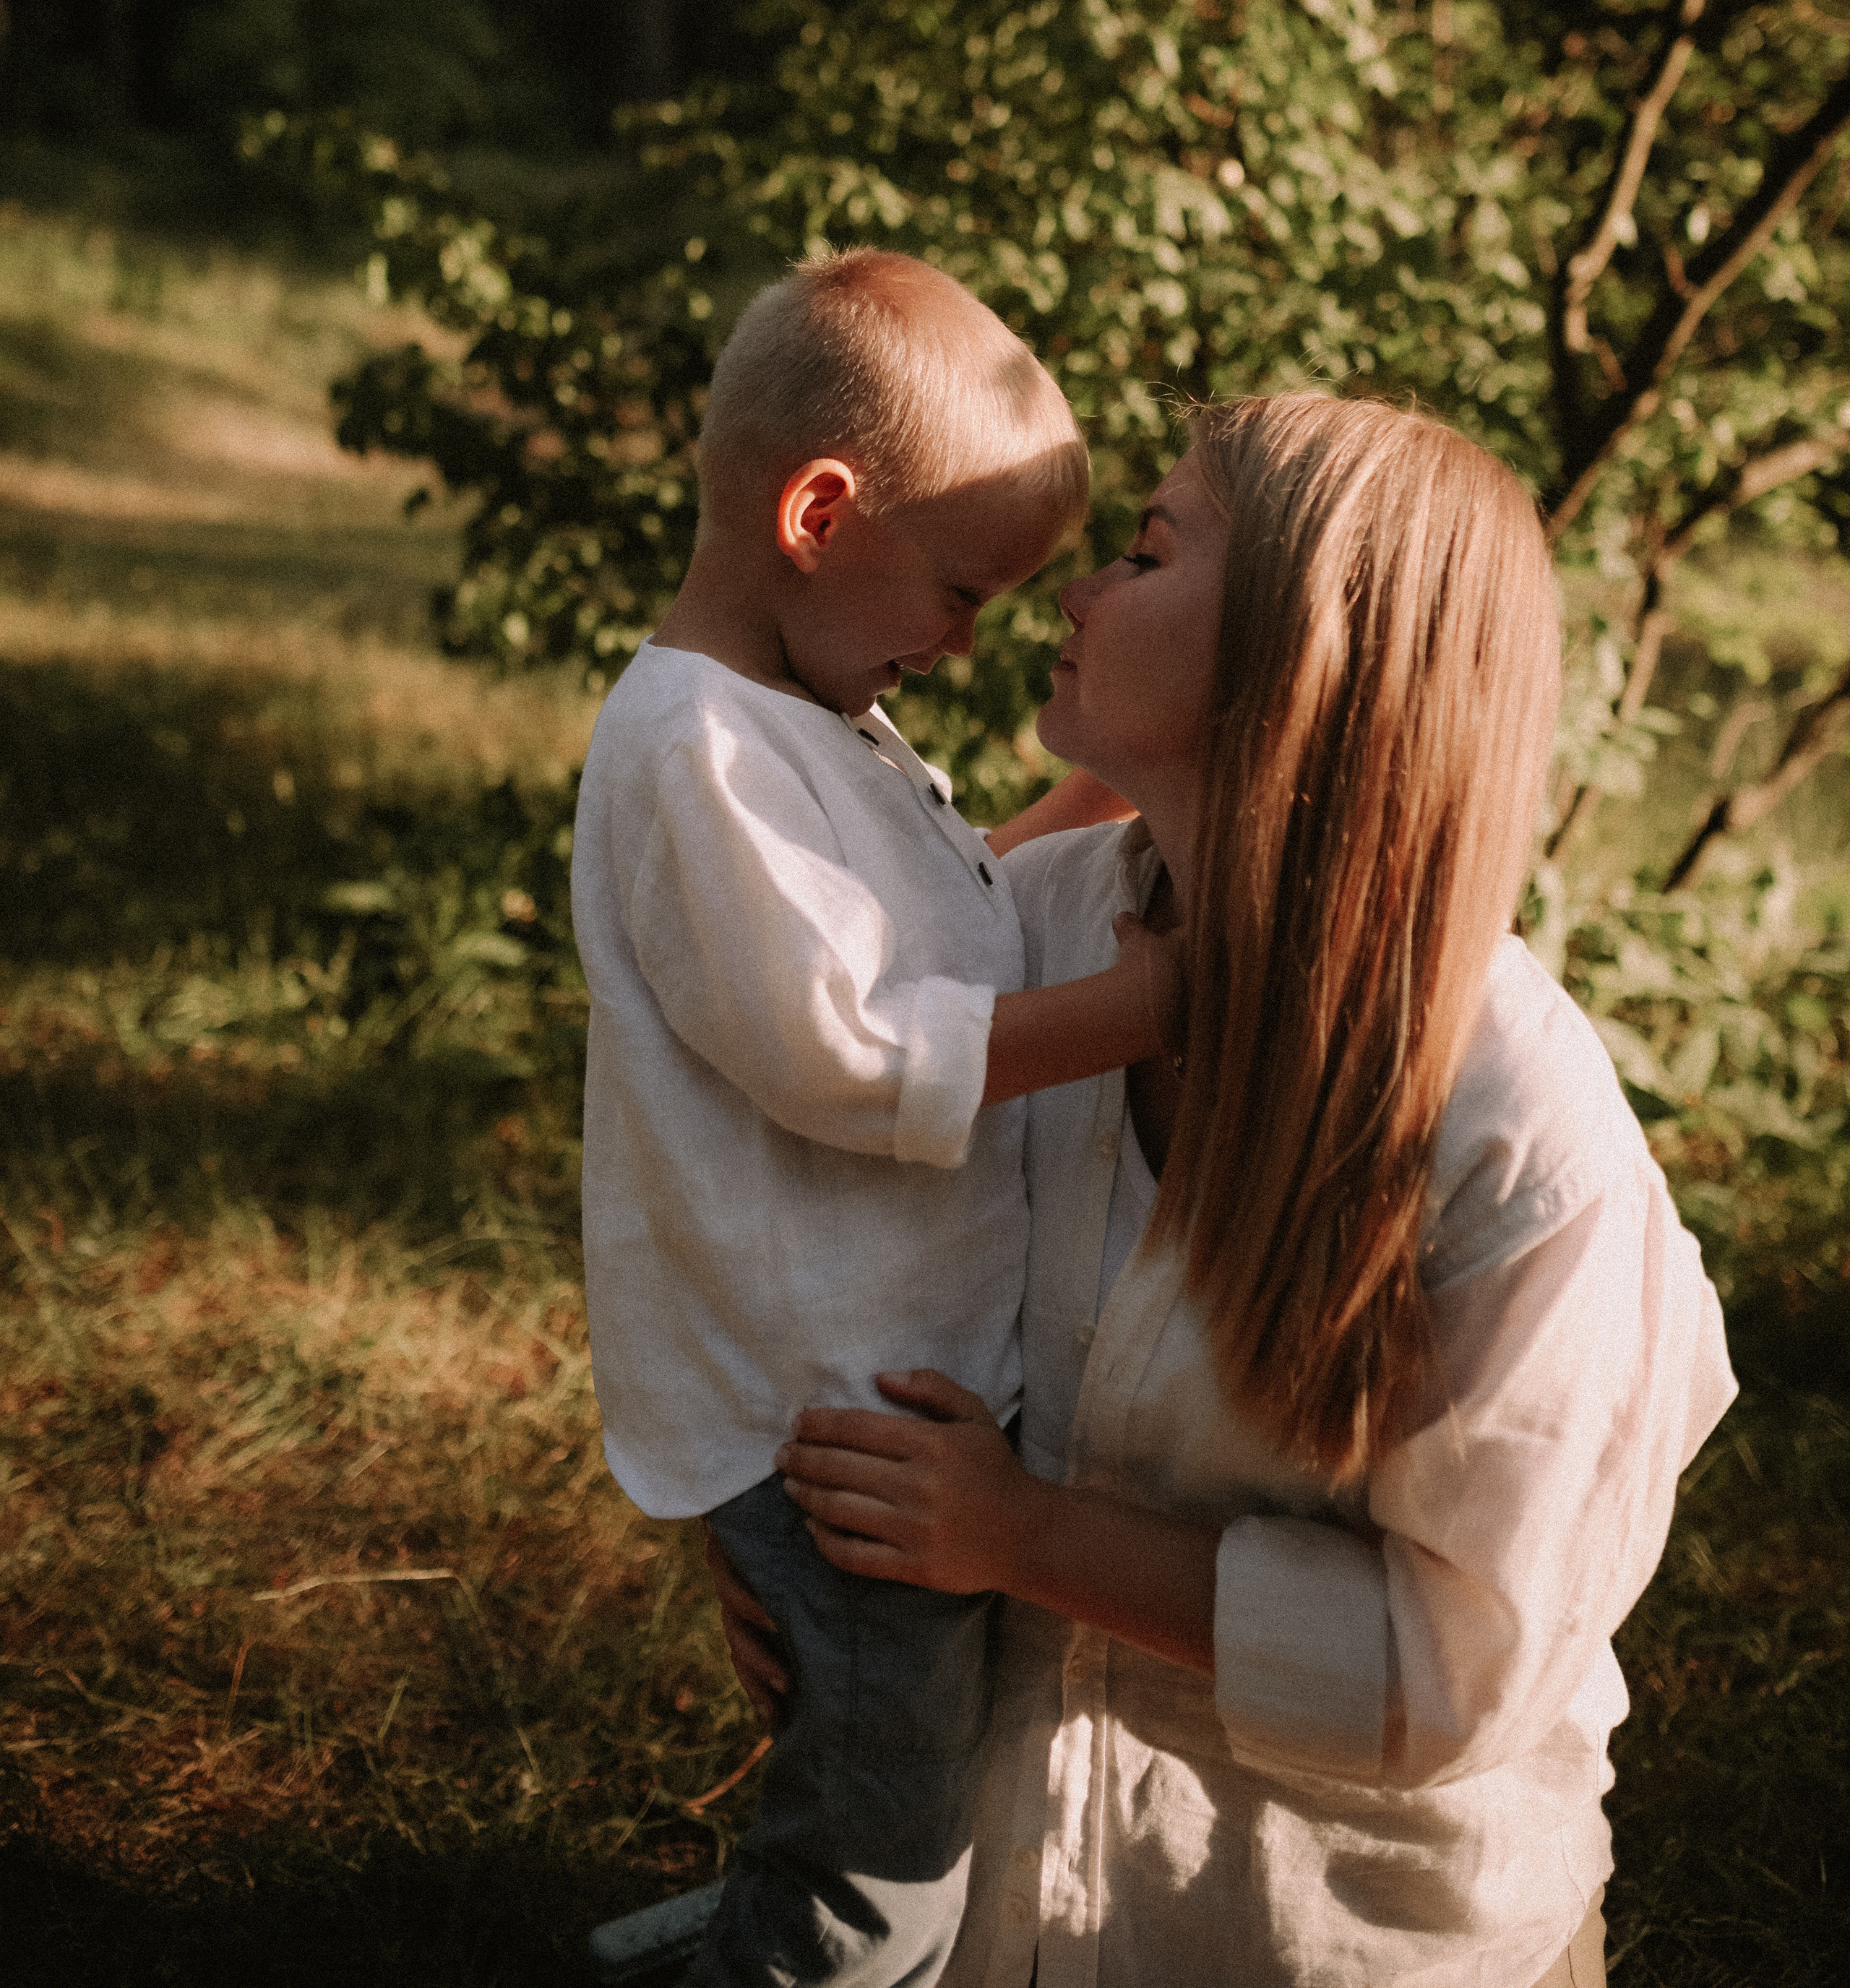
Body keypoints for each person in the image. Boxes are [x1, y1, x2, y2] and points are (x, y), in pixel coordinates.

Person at [748, 392, 1735, 1988]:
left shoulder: (1514, 1134)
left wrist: (1016, 1537)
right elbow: (832, 1219)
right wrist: (809, 1554)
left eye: (1142, 552)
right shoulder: (1040, 931)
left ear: (1305, 653)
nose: (1067, 590)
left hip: (1334, 1933)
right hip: (998, 1886)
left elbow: (1447, 1672)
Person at [572, 249, 1172, 1988]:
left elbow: (936, 919)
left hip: (895, 1386)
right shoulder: (697, 744)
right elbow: (846, 1045)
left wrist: (1100, 794)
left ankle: (771, 1913)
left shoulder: (807, 716)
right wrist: (1136, 1013)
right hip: (836, 1420)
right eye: (964, 591)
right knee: (883, 1865)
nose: (970, 638)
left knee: (887, 1776)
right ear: (819, 511)